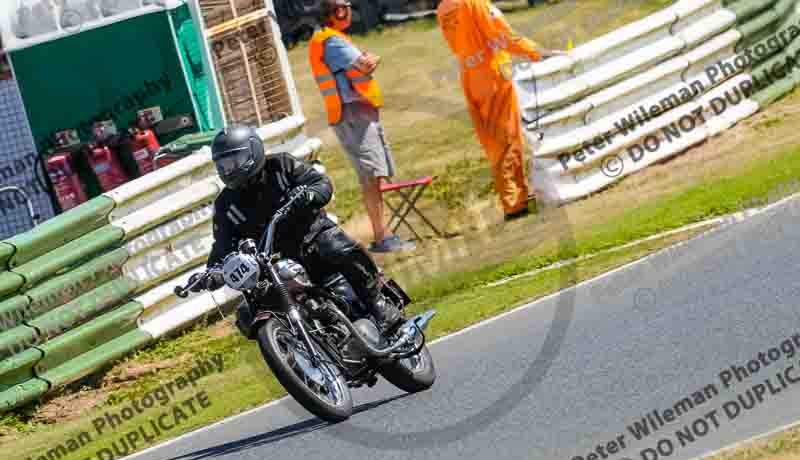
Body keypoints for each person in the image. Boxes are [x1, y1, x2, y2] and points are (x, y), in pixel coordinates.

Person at [188, 125, 403, 332]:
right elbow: (223, 245)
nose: (230, 169)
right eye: (224, 164)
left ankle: (378, 303)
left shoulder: (282, 165)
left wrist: (309, 194)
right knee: (246, 312)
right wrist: (212, 272)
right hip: (273, 264)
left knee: (334, 244)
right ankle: (293, 346)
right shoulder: (225, 204)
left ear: (254, 151)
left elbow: (320, 183)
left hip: (313, 240)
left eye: (236, 160)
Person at [436, 0, 567, 221]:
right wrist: (537, 52)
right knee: (508, 140)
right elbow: (502, 35)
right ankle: (516, 204)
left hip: (470, 78)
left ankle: (512, 199)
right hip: (493, 75)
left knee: (494, 144)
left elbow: (455, 46)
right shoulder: (474, 2)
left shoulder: (443, 8)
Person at [308, 0, 416, 253]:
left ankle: (384, 234)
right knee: (370, 175)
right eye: (344, 7)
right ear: (334, 12)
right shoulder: (332, 42)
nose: (348, 11)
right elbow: (365, 65)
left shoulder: (333, 38)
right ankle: (382, 237)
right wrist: (373, 57)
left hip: (357, 113)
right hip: (353, 114)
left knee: (373, 174)